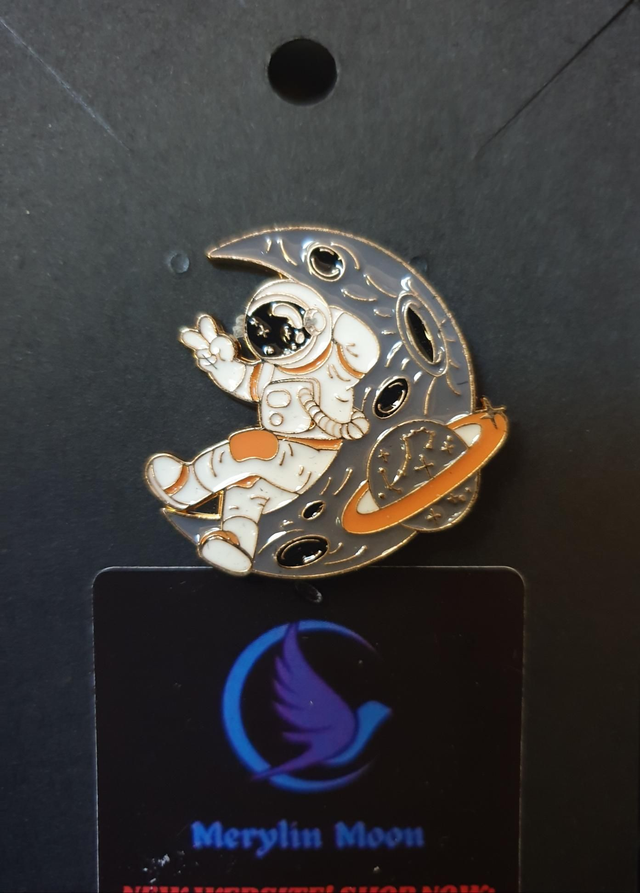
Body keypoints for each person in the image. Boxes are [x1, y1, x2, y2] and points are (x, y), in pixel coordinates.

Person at [145, 279, 380, 574]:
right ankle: (236, 546)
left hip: (324, 460)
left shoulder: (337, 365)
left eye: (285, 327)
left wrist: (333, 315)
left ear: (314, 322)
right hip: (290, 471)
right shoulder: (270, 370)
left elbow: (366, 350)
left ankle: (186, 485)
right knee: (244, 492)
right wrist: (220, 364)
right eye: (261, 331)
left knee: (251, 448)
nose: (275, 338)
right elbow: (243, 381)